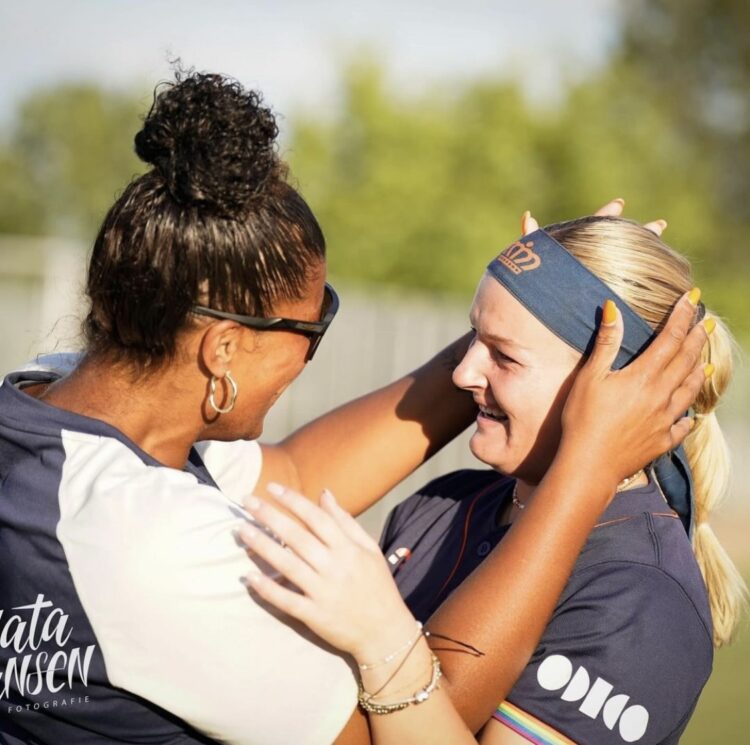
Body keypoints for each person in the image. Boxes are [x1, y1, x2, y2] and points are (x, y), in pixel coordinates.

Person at [0, 69, 707, 745]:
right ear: (222, 351)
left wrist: (541, 299)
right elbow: (397, 723)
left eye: (501, 353)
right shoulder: (149, 544)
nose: (466, 373)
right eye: (314, 325)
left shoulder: (47, 413)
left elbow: (297, 478)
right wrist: (583, 467)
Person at [241, 216, 745, 744]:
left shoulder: (642, 598)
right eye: (474, 339)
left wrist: (384, 640)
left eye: (503, 355)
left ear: (615, 387)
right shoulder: (443, 503)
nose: (463, 374)